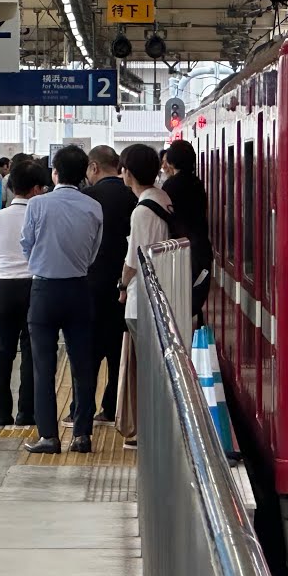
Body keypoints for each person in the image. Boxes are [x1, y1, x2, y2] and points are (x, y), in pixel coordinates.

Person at [20, 145, 103, 455]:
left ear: (55, 173)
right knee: (83, 366)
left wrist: (42, 261)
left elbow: (26, 245)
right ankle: (82, 435)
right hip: (80, 289)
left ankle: (49, 437)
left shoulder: (37, 205)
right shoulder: (93, 207)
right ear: (84, 173)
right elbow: (93, 252)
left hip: (44, 291)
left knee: (44, 367)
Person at [63, 146, 136, 425]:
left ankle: (80, 410)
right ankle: (113, 409)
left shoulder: (86, 197)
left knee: (87, 352)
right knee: (119, 350)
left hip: (90, 285)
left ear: (93, 167)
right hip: (125, 287)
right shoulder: (133, 196)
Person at [118, 144, 174, 449]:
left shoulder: (142, 210)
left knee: (145, 369)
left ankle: (145, 429)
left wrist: (122, 285)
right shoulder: (162, 199)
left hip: (145, 299)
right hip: (162, 291)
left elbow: (134, 259)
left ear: (128, 172)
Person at [0, 163, 48, 427]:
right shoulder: (40, 215)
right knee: (30, 350)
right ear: (36, 189)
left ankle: (1, 413)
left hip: (4, 287)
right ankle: (27, 412)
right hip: (33, 286)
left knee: (2, 351)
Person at [160, 140, 213, 323]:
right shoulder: (197, 184)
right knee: (193, 300)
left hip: (181, 251)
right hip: (200, 247)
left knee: (179, 303)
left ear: (172, 162)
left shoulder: (170, 186)